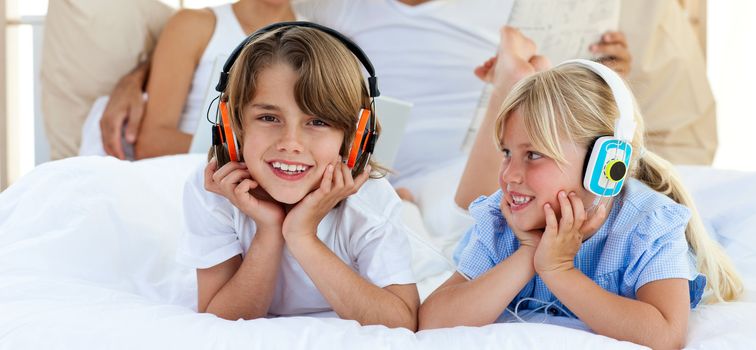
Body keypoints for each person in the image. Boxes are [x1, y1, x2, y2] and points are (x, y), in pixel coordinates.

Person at [417, 59, 742, 347]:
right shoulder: (503, 222)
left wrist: (559, 270)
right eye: (506, 153)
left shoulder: (646, 225)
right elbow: (433, 321)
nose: (510, 175)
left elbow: (665, 335)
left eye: (533, 155)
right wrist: (530, 252)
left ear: (604, 163)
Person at [176, 24, 419, 329]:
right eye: (268, 117)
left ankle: (411, 203)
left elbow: (401, 322)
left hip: (384, 210)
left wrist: (302, 235)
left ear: (354, 139)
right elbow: (219, 319)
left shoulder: (370, 201)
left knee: (411, 216)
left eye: (317, 121)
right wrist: (269, 229)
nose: (291, 143)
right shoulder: (214, 190)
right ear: (232, 125)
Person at [89, 0, 296, 160]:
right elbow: (150, 142)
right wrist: (249, 153)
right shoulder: (195, 25)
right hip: (187, 173)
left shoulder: (318, 41)